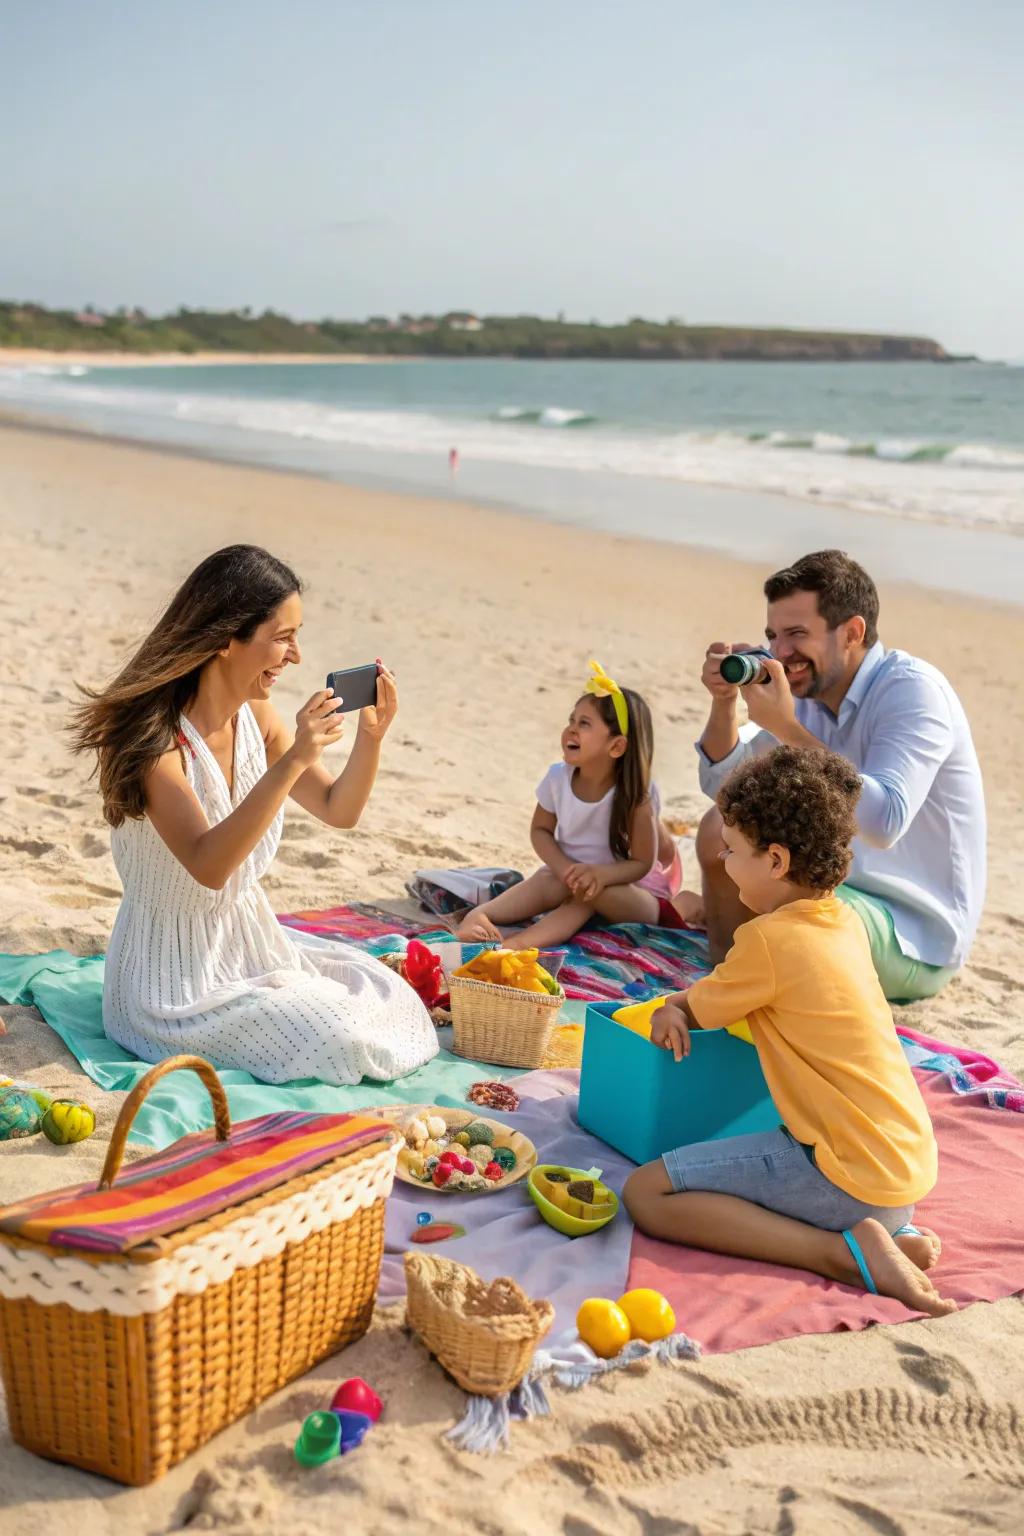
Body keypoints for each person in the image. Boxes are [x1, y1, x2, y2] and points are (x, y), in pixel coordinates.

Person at [71, 544, 439, 1086]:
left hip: (249, 945)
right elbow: (208, 864)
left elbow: (340, 810)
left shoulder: (257, 715)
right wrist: (294, 759)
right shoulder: (154, 741)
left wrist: (371, 737)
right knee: (340, 1039)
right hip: (167, 982)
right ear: (226, 639)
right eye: (283, 637)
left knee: (388, 997)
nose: (295, 656)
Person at [624, 745, 955, 1318]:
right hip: (905, 1173)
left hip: (848, 1178)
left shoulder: (768, 942)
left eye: (731, 849)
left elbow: (697, 1008)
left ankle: (839, 1253)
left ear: (775, 861)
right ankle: (891, 1236)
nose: (723, 861)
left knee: (644, 1193)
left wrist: (667, 1010)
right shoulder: (845, 920)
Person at [692, 549, 985, 1001]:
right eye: (773, 635)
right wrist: (724, 703)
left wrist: (786, 728)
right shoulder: (807, 693)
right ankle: (726, 974)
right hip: (826, 894)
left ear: (851, 632)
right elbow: (721, 788)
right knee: (720, 830)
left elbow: (884, 823)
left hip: (909, 931)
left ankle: (750, 982)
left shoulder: (912, 691)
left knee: (789, 915)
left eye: (796, 634)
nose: (781, 652)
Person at [457, 661, 703, 948]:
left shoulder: (637, 795)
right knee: (547, 879)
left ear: (616, 747)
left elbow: (642, 863)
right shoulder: (557, 779)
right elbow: (540, 831)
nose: (570, 730)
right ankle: (479, 916)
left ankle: (517, 945)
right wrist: (564, 868)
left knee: (589, 892)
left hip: (631, 892)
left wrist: (601, 875)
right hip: (571, 878)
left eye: (583, 724)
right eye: (571, 721)